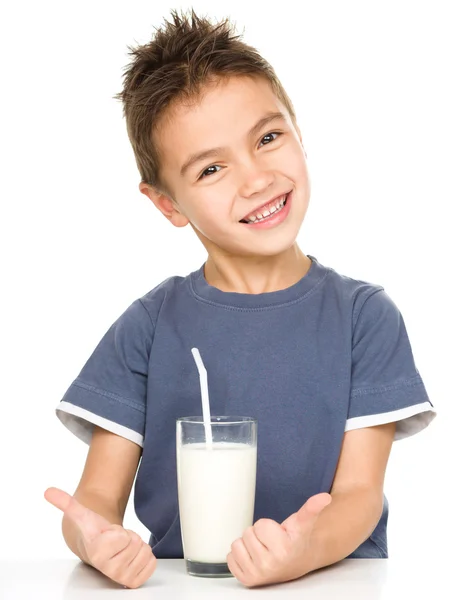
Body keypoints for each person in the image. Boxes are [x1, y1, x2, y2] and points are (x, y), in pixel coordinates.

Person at [44, 8, 436, 590]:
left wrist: (303, 552)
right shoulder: (150, 327)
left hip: (336, 583)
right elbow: (96, 498)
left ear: (297, 130)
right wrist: (95, 540)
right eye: (211, 170)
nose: (255, 179)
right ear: (167, 204)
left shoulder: (363, 318)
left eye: (269, 138)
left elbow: (358, 495)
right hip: (189, 585)